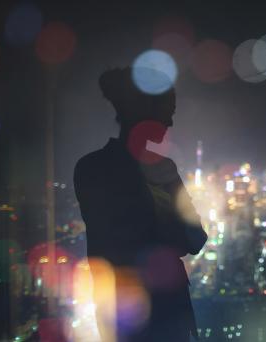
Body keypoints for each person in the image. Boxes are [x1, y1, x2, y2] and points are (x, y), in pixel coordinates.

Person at [74, 67, 207, 341]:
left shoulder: (90, 168)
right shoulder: (161, 171)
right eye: (167, 111)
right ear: (145, 112)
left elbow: (192, 239)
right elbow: (192, 239)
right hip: (159, 312)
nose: (170, 122)